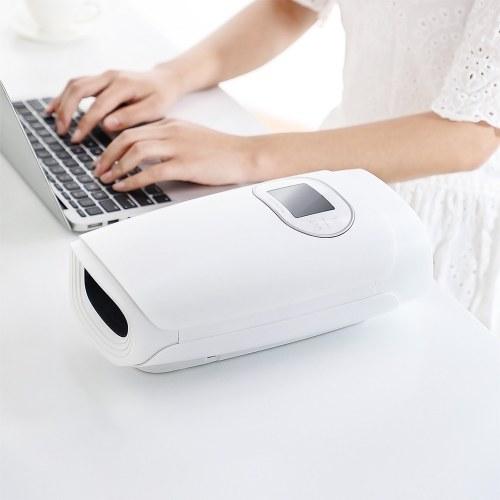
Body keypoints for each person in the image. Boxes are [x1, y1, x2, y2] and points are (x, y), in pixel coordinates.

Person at [46, 0, 500, 332]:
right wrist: (172, 76)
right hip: (338, 174)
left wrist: (243, 155)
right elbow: (289, 7)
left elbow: (469, 136)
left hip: (443, 221)